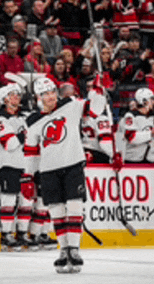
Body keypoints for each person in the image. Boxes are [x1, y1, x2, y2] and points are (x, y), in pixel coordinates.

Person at [23, 77, 110, 273]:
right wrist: (27, 176)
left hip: (73, 165)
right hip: (48, 170)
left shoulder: (71, 105)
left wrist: (98, 91)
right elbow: (30, 151)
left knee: (74, 207)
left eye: (52, 91)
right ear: (38, 97)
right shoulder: (33, 121)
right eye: (45, 94)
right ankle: (64, 250)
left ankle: (74, 249)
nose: (51, 96)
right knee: (57, 212)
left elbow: (95, 109)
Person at [0, 82, 28, 250]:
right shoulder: (0, 119)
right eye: (13, 94)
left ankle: (22, 233)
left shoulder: (22, 117)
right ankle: (6, 234)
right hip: (8, 164)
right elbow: (10, 143)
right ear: (4, 99)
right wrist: (24, 135)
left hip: (24, 164)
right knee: (9, 199)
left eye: (18, 94)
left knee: (26, 200)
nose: (17, 96)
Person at [121, 87, 154, 163]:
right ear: (144, 101)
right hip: (132, 160)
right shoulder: (130, 116)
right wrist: (151, 134)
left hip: (151, 159)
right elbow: (131, 138)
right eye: (151, 99)